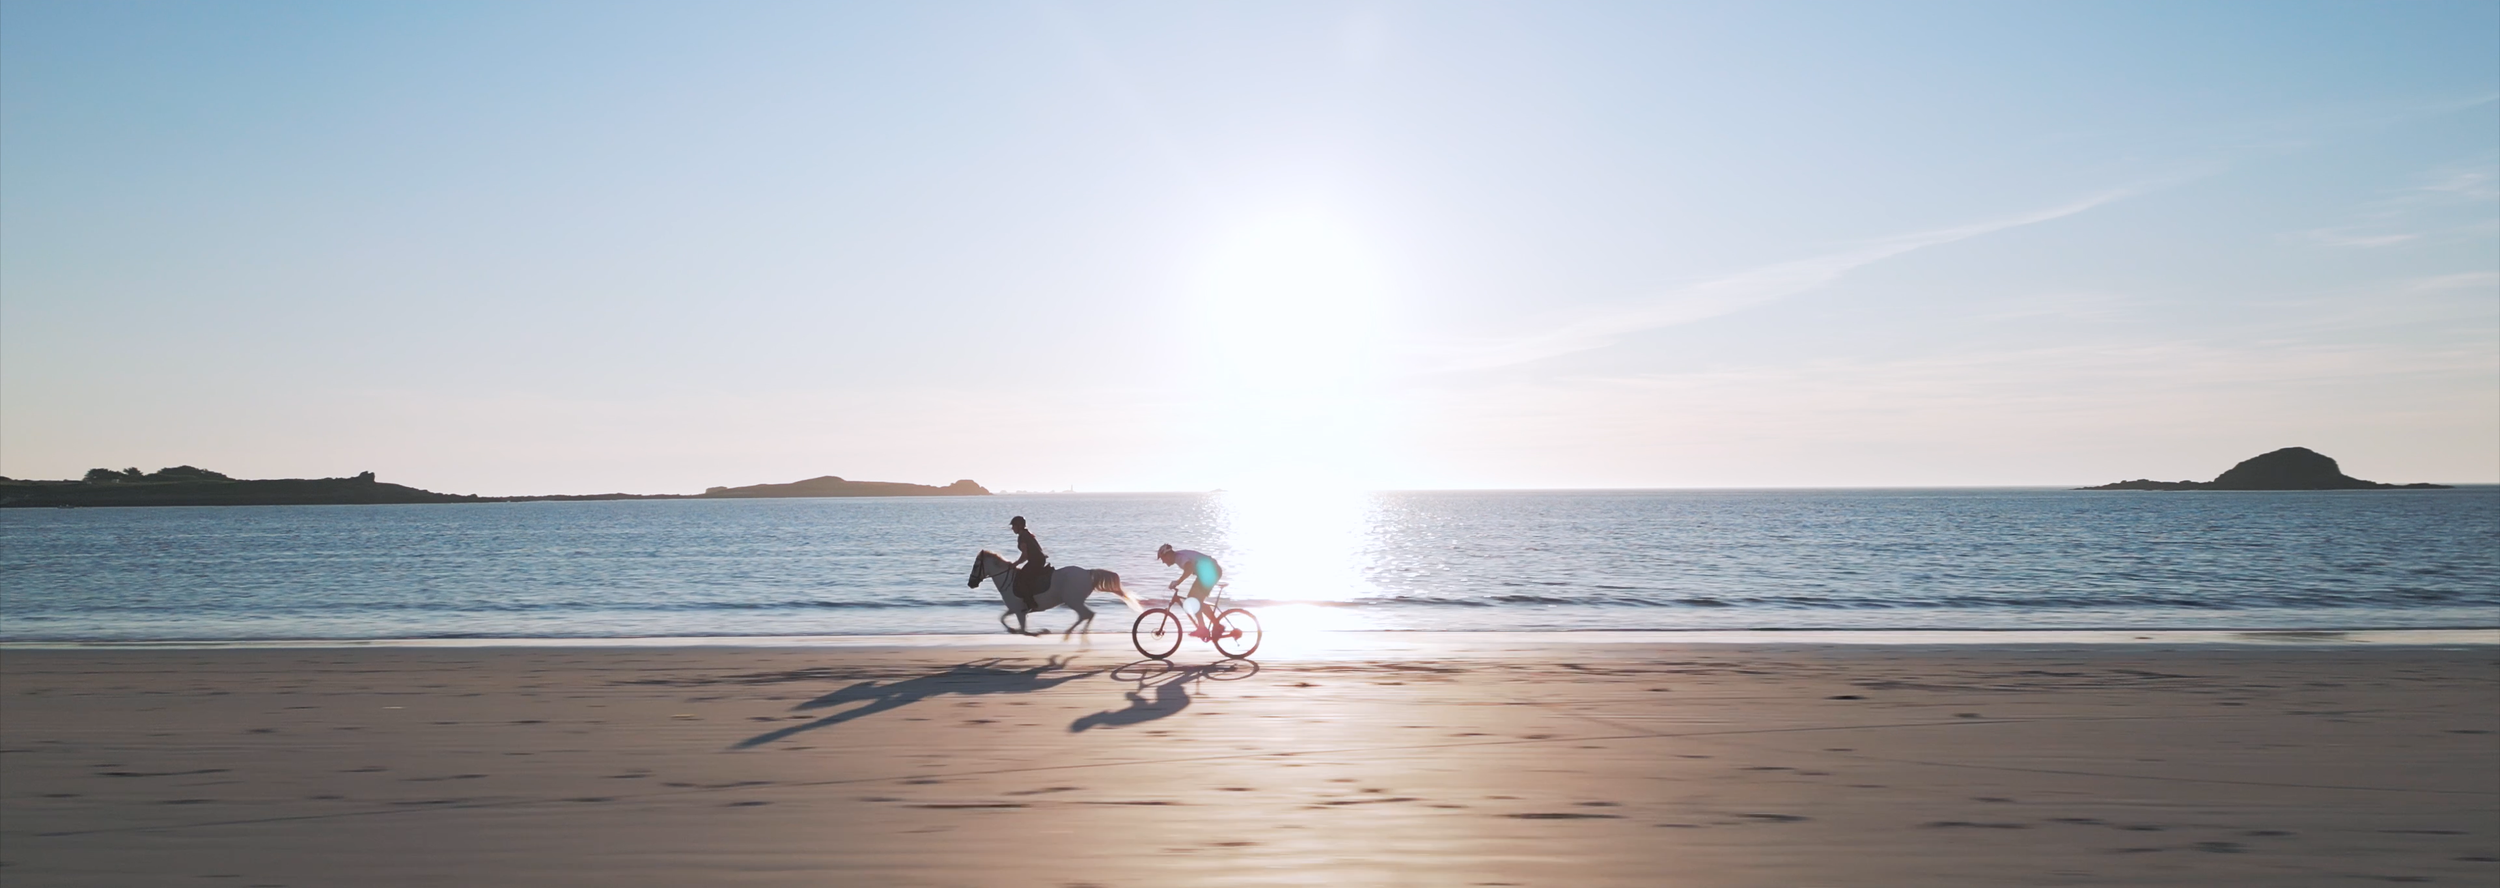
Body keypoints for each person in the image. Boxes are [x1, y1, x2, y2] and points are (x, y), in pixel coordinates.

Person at [1156, 543, 1223, 638]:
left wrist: (1178, 582)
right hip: (1209, 571)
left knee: (1193, 600)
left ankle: (1204, 629)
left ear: (1168, 555)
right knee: (1194, 600)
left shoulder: (1179, 557)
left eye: (1163, 558)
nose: (1163, 562)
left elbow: (1189, 569)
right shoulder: (1179, 557)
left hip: (1210, 571)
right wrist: (1178, 581)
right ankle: (1212, 626)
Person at [1008, 516, 1050, 611]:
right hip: (1038, 560)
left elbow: (1025, 555)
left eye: (1014, 526)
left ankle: (1031, 603)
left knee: (1021, 579)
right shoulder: (1027, 534)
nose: (1012, 528)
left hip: (1035, 561)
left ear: (1019, 526)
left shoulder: (1022, 537)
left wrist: (1015, 564)